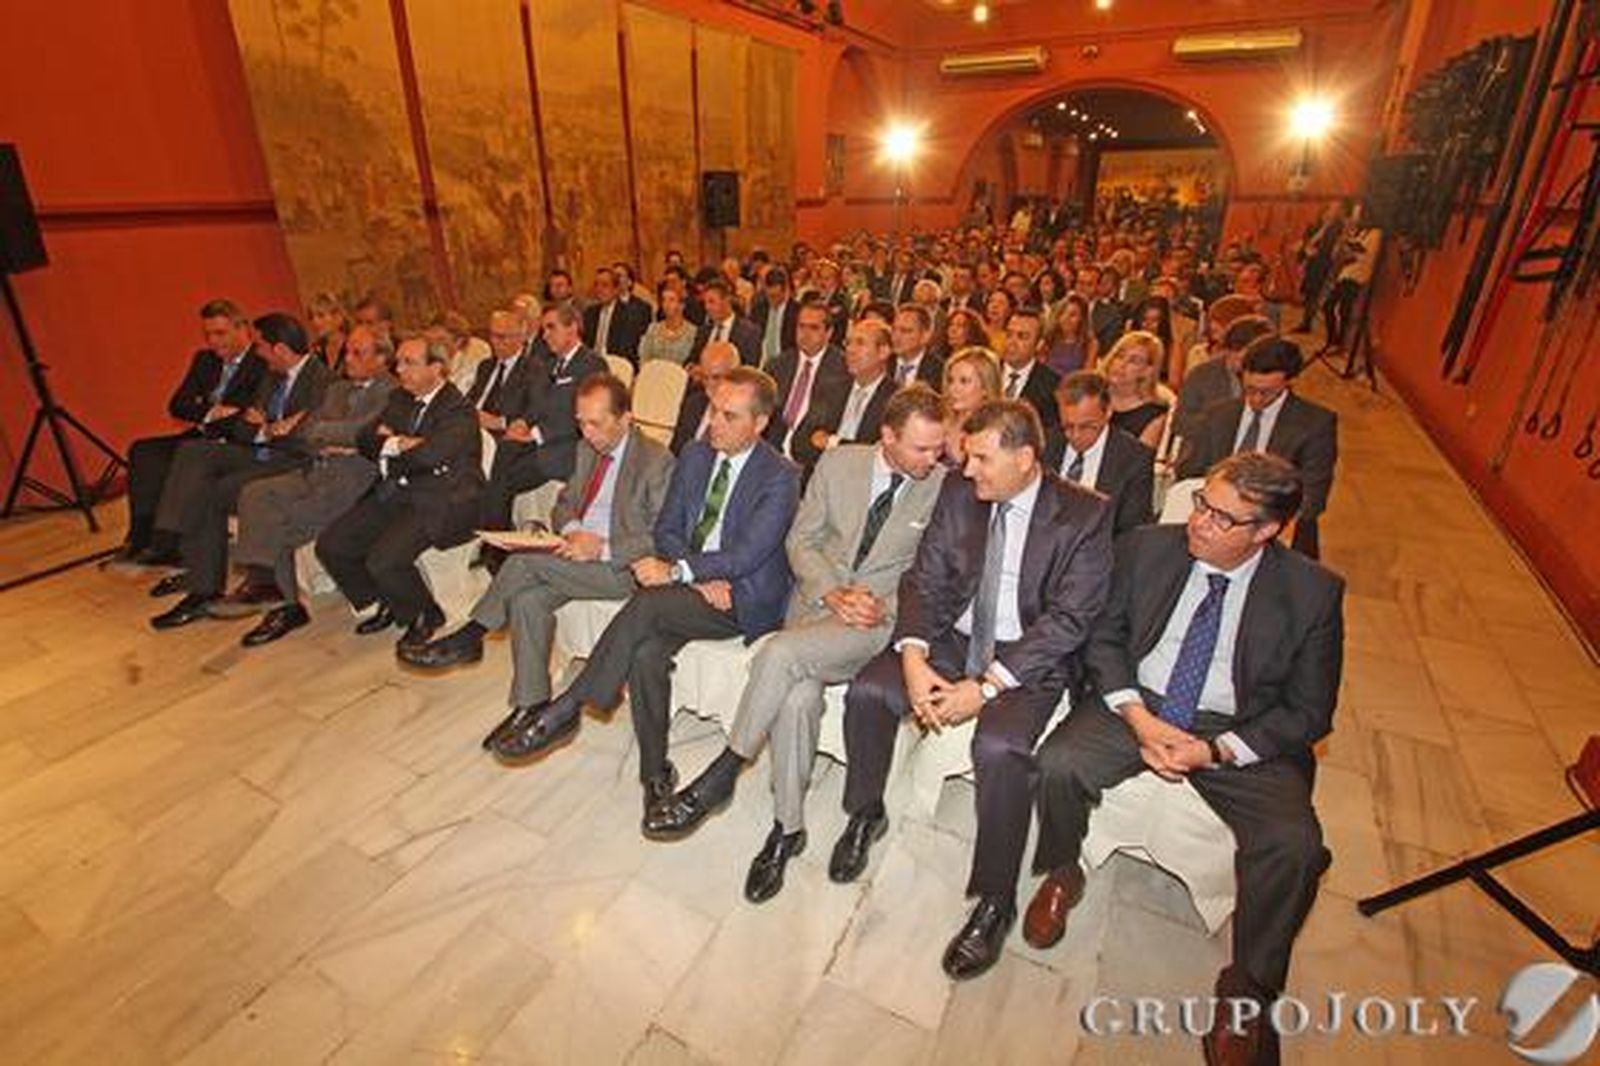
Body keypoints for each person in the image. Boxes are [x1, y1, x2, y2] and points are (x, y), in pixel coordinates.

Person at [1025, 452, 1343, 1066]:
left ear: (1266, 530)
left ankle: (1248, 988)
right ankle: (1064, 871)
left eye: (1223, 518)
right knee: (1058, 763)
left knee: (1296, 846)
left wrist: (1214, 749)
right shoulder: (1146, 548)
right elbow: (1105, 639)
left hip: (1237, 728)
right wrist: (1138, 718)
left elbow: (1309, 712)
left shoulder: (1312, 593)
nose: (1199, 522)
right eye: (1201, 503)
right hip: (1140, 704)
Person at [832, 400, 1113, 981]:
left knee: (1000, 748)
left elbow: (1069, 620)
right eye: (967, 457)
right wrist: (913, 655)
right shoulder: (961, 494)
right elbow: (924, 578)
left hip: (1026, 659)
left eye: (982, 459)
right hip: (952, 637)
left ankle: (995, 899)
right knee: (869, 693)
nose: (966, 469)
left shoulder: (1085, 515)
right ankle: (865, 812)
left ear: (1025, 459)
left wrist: (984, 689)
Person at [643, 388, 951, 901]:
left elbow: (933, 572)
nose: (933, 457)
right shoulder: (838, 463)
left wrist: (879, 605)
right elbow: (801, 540)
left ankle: (724, 771)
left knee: (779, 653)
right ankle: (788, 830)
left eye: (938, 447)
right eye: (922, 448)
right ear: (888, 436)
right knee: (796, 698)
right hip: (814, 606)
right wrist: (831, 591)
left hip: (872, 622)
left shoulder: (942, 488)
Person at [486, 368, 801, 828]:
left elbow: (749, 553)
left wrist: (679, 571)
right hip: (696, 588)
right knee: (646, 653)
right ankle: (655, 775)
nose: (714, 423)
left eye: (730, 416)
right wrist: (691, 575)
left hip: (740, 597)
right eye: (714, 410)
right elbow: (666, 530)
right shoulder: (695, 454)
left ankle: (570, 705)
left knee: (648, 603)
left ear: (761, 423)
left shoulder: (781, 476)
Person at [400, 374, 674, 713]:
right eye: (580, 423)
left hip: (623, 568)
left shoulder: (655, 460)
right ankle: (530, 706)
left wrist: (601, 548)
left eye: (596, 423)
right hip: (575, 555)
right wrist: (573, 529)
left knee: (523, 561)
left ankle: (471, 636)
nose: (587, 433)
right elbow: (564, 504)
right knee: (527, 602)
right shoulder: (587, 448)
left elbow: (661, 535)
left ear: (625, 419)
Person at [148, 313, 333, 627]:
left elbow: (310, 440)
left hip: (293, 462)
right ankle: (172, 541)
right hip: (261, 451)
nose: (257, 353)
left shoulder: (322, 380)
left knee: (216, 492)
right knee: (194, 452)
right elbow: (243, 429)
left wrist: (270, 428)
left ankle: (215, 587)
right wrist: (270, 429)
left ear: (279, 349)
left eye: (260, 346)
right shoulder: (272, 376)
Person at [219, 326, 397, 645]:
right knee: (255, 493)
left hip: (353, 480)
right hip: (316, 468)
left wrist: (336, 435)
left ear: (382, 358)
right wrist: (335, 437)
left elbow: (360, 433)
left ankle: (286, 605)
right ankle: (264, 583)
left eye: (358, 353)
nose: (348, 359)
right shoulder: (337, 389)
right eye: (347, 351)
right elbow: (306, 431)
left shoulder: (391, 392)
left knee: (278, 526)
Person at [314, 336, 483, 649]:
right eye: (399, 362)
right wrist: (397, 443)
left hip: (441, 499)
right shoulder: (400, 399)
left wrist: (393, 446)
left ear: (436, 368)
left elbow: (429, 456)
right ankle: (385, 601)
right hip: (396, 489)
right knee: (331, 545)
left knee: (384, 560)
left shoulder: (458, 410)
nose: (399, 369)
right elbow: (364, 439)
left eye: (409, 363)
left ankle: (425, 615)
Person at [107, 299, 267, 571]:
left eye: (220, 333)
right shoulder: (204, 360)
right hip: (203, 433)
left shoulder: (261, 362)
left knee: (187, 456)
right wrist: (212, 412)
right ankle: (141, 536)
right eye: (208, 334)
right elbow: (178, 405)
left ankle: (167, 542)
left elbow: (252, 412)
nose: (214, 342)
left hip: (235, 441)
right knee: (143, 451)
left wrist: (216, 414)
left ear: (242, 329)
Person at [1178, 337, 1337, 559]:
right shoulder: (1218, 414)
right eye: (1249, 389)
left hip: (1276, 530)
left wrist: (1257, 530)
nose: (1256, 399)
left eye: (1267, 392)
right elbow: (1190, 471)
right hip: (1217, 523)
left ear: (1289, 381)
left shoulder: (1315, 424)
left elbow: (1313, 497)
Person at [479, 302, 607, 530]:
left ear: (572, 328)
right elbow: (537, 405)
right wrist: (523, 422)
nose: (545, 335)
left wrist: (535, 434)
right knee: (504, 448)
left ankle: (495, 534)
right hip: (541, 441)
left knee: (505, 475)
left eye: (551, 327)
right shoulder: (549, 364)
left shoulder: (591, 364)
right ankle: (496, 530)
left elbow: (581, 417)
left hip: (569, 447)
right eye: (543, 329)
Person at [1044, 370, 1155, 536]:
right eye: (1067, 426)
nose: (1076, 436)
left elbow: (1132, 532)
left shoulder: (1134, 459)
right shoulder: (1044, 444)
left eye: (1087, 426)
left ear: (1108, 412)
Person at [791, 318, 899, 469]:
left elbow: (880, 455)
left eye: (860, 343)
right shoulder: (830, 389)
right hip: (821, 474)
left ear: (883, 352)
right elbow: (799, 445)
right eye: (848, 343)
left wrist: (831, 441)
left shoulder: (896, 400)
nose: (850, 350)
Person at [764, 299, 849, 459]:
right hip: (773, 448)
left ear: (829, 333)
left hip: (814, 454)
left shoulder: (844, 370)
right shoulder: (777, 365)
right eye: (801, 326)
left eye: (814, 328)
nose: (805, 334)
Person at [1173, 315, 1275, 445]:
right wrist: (1220, 425)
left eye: (1244, 358)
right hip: (1208, 449)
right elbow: (1180, 422)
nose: (1236, 362)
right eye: (1233, 353)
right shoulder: (1202, 374)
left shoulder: (1272, 380)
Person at [997, 305, 1062, 432]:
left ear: (1039, 344)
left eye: (1022, 337)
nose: (1012, 342)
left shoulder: (1052, 385)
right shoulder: (986, 372)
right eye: (1009, 334)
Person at [1102, 331, 1170, 451]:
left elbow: (1137, 459)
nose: (1122, 365)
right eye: (1119, 356)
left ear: (1147, 370)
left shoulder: (1154, 415)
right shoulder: (1092, 393)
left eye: (1133, 361)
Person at [670, 341, 740, 455]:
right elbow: (675, 451)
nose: (709, 384)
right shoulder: (693, 404)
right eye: (704, 377)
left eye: (716, 377)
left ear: (735, 375)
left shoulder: (744, 415)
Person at [940, 346, 1002, 466]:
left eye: (964, 381)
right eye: (950, 380)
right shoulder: (939, 422)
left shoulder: (994, 432)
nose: (953, 389)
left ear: (985, 388)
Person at [582, 266, 652, 364]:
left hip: (616, 364)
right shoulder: (590, 313)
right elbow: (585, 344)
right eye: (596, 285)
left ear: (616, 289)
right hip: (591, 363)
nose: (599, 289)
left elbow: (626, 350)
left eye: (604, 285)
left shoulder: (629, 314)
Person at [688, 277, 761, 366]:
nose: (707, 307)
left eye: (711, 302)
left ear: (727, 300)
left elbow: (750, 366)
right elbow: (691, 361)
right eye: (705, 303)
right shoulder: (703, 331)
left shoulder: (749, 332)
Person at [425, 310, 490, 395]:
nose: (433, 345)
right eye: (430, 340)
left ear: (459, 341)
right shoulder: (425, 356)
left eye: (440, 340)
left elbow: (458, 392)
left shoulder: (475, 356)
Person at [637, 283, 697, 366]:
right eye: (664, 300)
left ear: (682, 305)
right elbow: (644, 358)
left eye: (671, 300)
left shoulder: (692, 332)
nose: (666, 304)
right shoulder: (653, 329)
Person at [751, 266, 799, 367]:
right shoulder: (758, 310)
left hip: (786, 362)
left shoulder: (797, 312)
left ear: (785, 291)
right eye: (769, 296)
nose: (772, 301)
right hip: (762, 362)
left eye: (776, 296)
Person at [889, 304, 944, 387]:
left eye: (905, 331)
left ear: (925, 336)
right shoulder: (882, 363)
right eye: (894, 330)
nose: (896, 337)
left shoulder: (939, 371)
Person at [1045, 293, 1095, 378]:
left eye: (1072, 315)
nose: (1066, 318)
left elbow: (1086, 377)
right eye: (1063, 313)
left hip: (1074, 385)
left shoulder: (1090, 343)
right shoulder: (1049, 338)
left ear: (1081, 319)